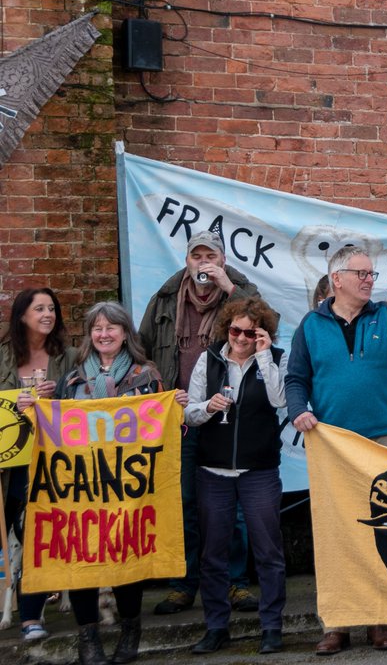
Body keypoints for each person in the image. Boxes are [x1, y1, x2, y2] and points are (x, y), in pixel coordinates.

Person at [286, 245, 387, 654]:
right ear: (337, 279)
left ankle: (380, 621)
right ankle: (337, 625)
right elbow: (296, 378)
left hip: (384, 440)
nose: (370, 279)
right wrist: (298, 409)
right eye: (361, 273)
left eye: (372, 273)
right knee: (337, 535)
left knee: (383, 530)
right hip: (334, 445)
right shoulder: (310, 326)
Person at [56, 302, 189, 665]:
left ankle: (131, 631)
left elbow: (162, 425)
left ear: (125, 332)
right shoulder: (71, 381)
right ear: (89, 334)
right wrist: (31, 408)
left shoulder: (146, 375)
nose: (103, 334)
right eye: (97, 328)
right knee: (82, 556)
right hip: (84, 486)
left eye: (111, 327)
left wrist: (173, 404)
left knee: (125, 555)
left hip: (129, 485)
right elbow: (55, 430)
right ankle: (89, 638)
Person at [138, 230, 261, 616]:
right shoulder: (164, 299)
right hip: (183, 420)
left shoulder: (241, 292)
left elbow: (263, 329)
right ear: (187, 261)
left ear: (222, 261)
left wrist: (230, 289)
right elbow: (141, 353)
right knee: (185, 504)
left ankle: (236, 583)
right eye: (197, 256)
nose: (203, 263)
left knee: (234, 506)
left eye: (211, 256)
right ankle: (183, 584)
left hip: (229, 416)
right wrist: (160, 389)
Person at [185, 298, 289, 656]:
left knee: (268, 550)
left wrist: (264, 354)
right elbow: (190, 411)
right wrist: (206, 407)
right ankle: (216, 626)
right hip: (213, 469)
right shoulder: (210, 358)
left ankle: (272, 626)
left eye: (251, 332)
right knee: (212, 552)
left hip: (258, 469)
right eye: (235, 330)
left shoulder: (275, 358)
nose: (242, 338)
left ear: (263, 333)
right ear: (225, 328)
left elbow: (280, 402)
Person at [1, 287, 77, 642]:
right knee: (18, 531)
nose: (48, 314)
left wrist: (58, 398)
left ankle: (33, 616)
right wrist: (15, 406)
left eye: (52, 308)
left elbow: (87, 402)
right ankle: (25, 610)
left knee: (45, 531)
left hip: (58, 459)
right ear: (21, 316)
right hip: (14, 463)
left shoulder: (71, 356)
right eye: (40, 308)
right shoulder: (3, 356)